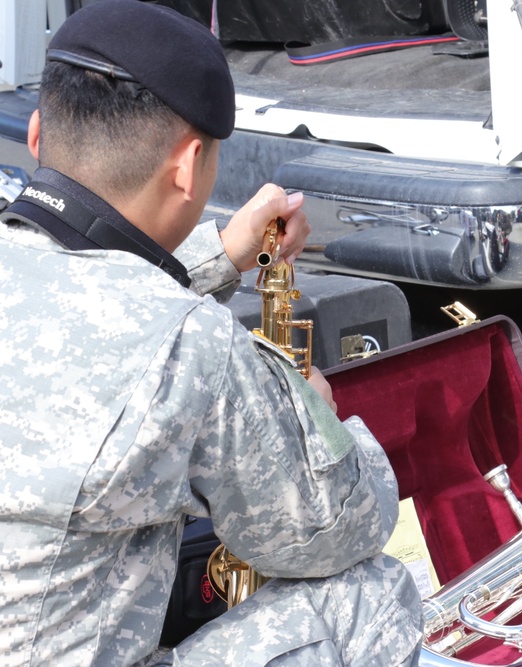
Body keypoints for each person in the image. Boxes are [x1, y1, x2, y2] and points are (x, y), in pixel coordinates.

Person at [0, 1, 422, 665]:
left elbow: (80, 307)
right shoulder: (189, 344)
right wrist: (318, 413)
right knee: (368, 593)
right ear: (189, 166)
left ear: (35, 133)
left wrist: (223, 253)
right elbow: (337, 527)